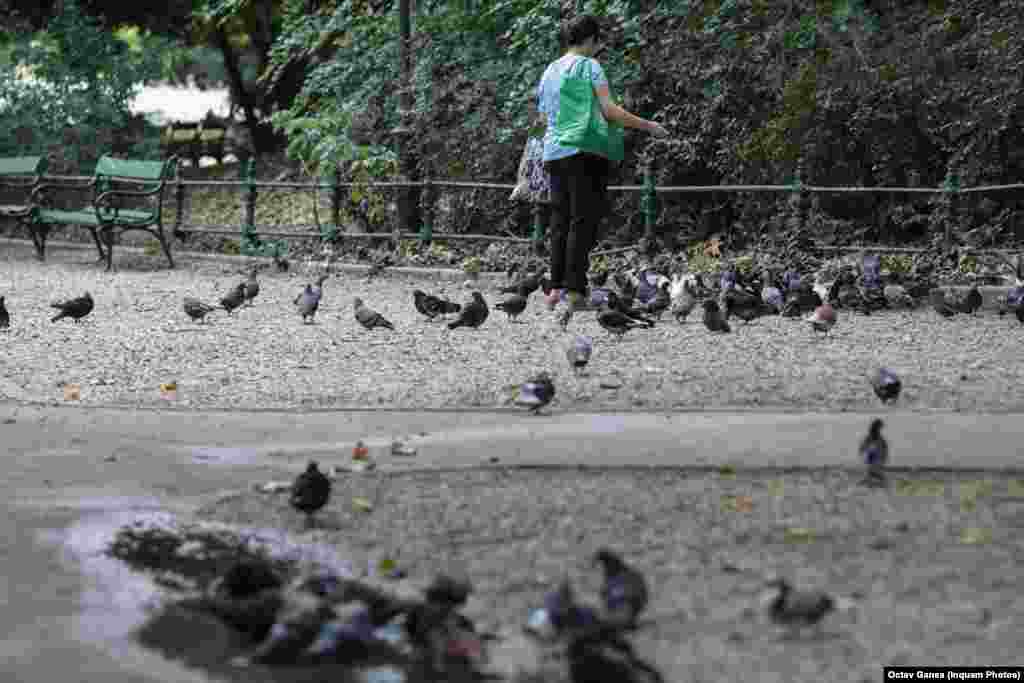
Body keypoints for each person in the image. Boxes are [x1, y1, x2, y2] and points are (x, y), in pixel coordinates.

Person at [536, 14, 669, 324]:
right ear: (592, 39)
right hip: (584, 150)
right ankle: (575, 291)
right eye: (598, 41)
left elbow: (542, 119)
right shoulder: (590, 66)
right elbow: (609, 110)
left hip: (554, 151)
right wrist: (648, 126)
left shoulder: (550, 70)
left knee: (560, 219)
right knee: (583, 221)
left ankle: (554, 289)